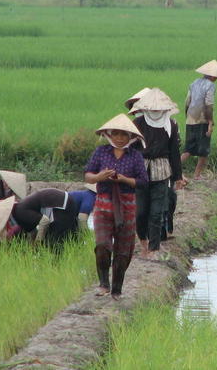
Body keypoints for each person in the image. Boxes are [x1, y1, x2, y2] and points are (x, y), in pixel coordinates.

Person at [84, 114, 148, 300]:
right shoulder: (101, 152)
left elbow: (143, 182)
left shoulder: (135, 156)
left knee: (123, 250)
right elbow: (88, 175)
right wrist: (99, 177)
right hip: (103, 205)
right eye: (116, 134)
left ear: (131, 137)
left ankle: (117, 289)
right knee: (103, 245)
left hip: (127, 206)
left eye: (124, 135)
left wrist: (124, 179)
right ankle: (104, 284)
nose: (120, 138)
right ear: (109, 135)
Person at [129, 88, 185, 258]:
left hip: (162, 171)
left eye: (158, 108)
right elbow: (130, 148)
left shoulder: (171, 125)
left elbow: (174, 152)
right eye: (152, 108)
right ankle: (143, 243)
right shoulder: (138, 123)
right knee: (140, 212)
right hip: (141, 170)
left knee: (156, 212)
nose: (154, 110)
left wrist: (178, 177)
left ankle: (154, 249)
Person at [0, 188, 79, 251]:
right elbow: (32, 231)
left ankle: (56, 267)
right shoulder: (20, 213)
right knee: (67, 240)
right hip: (63, 201)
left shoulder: (20, 212)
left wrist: (38, 242)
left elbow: (44, 220)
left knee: (54, 243)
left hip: (60, 204)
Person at [181, 60, 217, 180]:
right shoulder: (211, 86)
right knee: (204, 151)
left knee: (188, 150)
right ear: (213, 76)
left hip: (190, 120)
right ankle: (197, 175)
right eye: (216, 76)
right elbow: (208, 106)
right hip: (202, 120)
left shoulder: (194, 83)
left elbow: (187, 102)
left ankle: (172, 170)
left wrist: (188, 117)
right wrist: (210, 123)